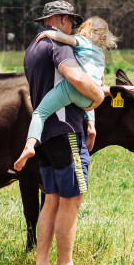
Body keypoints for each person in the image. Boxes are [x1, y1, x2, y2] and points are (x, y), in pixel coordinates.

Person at [22, 0, 107, 265]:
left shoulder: (33, 48)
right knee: (73, 197)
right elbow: (74, 75)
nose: (73, 27)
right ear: (59, 19)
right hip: (66, 129)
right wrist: (97, 97)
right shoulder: (60, 45)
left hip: (46, 133)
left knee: (52, 198)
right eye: (70, 21)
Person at [13, 16, 118, 172]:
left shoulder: (83, 42)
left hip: (73, 90)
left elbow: (64, 38)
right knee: (91, 93)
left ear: (85, 29)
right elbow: (99, 83)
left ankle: (29, 146)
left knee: (40, 113)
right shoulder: (101, 56)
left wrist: (47, 34)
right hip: (89, 100)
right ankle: (91, 129)